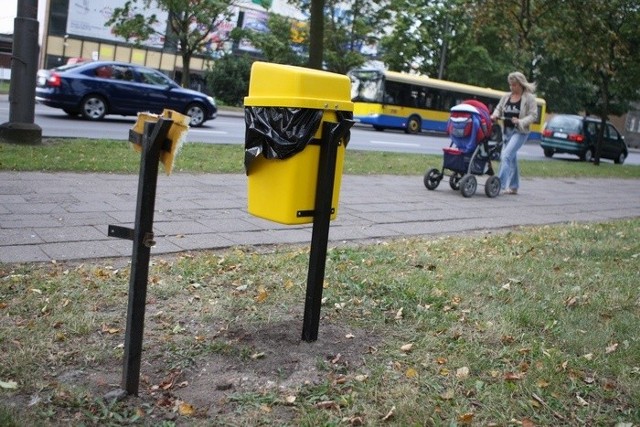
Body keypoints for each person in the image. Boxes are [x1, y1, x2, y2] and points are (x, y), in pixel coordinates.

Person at [491, 72, 538, 195]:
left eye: (514, 85)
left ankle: (498, 185)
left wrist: (520, 121)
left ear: (521, 84)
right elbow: (499, 108)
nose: (512, 88)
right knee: (511, 158)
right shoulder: (506, 97)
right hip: (506, 131)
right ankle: (514, 186)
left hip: (520, 132)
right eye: (510, 85)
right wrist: (495, 115)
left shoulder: (529, 98)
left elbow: (533, 115)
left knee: (506, 155)